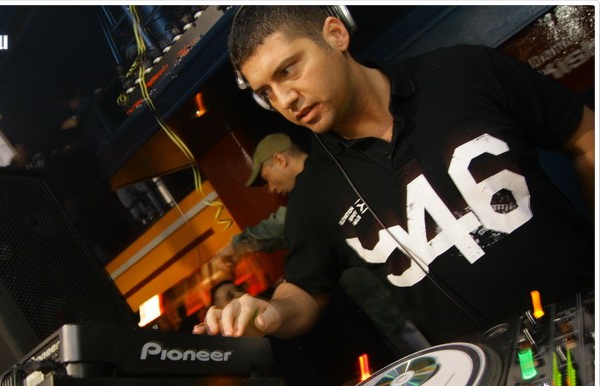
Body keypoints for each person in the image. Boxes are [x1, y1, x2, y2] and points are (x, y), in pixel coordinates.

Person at [195, 6, 594, 345]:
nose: (284, 100)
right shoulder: (315, 191)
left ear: (335, 34)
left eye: (288, 69)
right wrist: (270, 313)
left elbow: (584, 137)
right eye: (266, 92)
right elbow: (305, 290)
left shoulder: (465, 71)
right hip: (485, 377)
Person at [214, 133, 430, 357]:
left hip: (403, 303)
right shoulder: (318, 187)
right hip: (393, 305)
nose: (271, 188)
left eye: (268, 178)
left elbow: (278, 226)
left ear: (280, 160)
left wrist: (233, 247)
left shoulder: (320, 186)